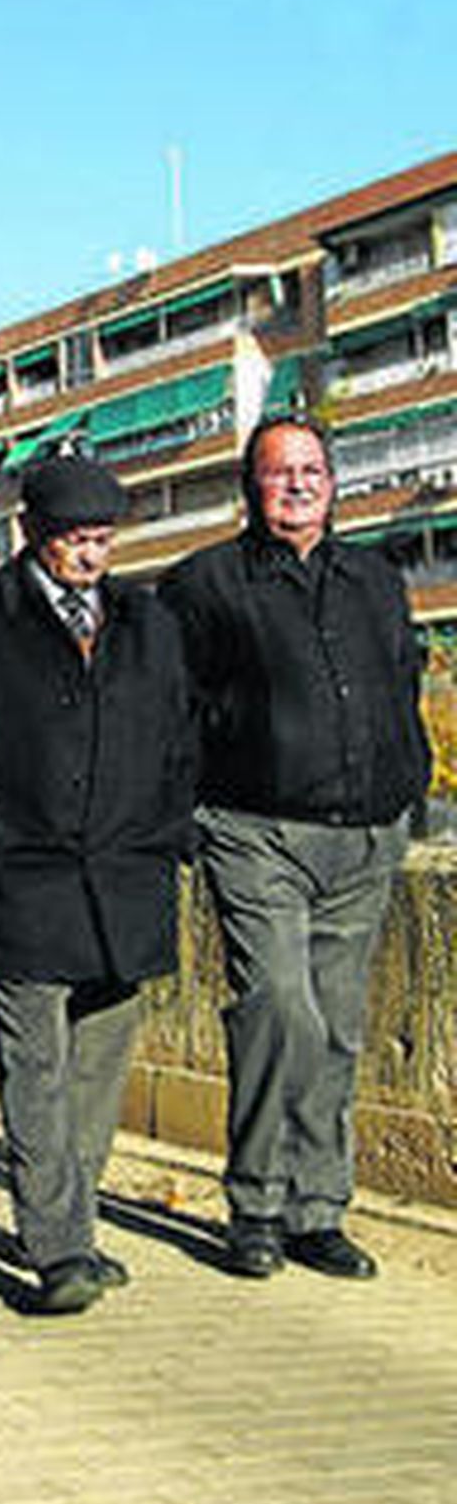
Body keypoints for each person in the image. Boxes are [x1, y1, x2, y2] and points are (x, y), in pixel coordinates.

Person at [159, 419, 429, 1281]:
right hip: (254, 833)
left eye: (312, 470)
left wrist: (409, 781)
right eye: (280, 474)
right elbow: (169, 709)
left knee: (339, 1028)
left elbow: (401, 681)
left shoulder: (376, 581)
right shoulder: (204, 585)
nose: (299, 486)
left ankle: (319, 1210)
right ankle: (257, 1205)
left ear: (334, 481)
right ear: (251, 486)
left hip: (365, 836)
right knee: (280, 1007)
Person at [0, 455, 196, 1313]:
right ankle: (59, 1248)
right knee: (34, 1067)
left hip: (127, 877)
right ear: (30, 535)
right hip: (21, 877)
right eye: (74, 539)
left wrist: (163, 832)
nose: (91, 555)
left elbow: (182, 739)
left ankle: (69, 1223)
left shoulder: (149, 624)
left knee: (98, 1068)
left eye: (103, 539)